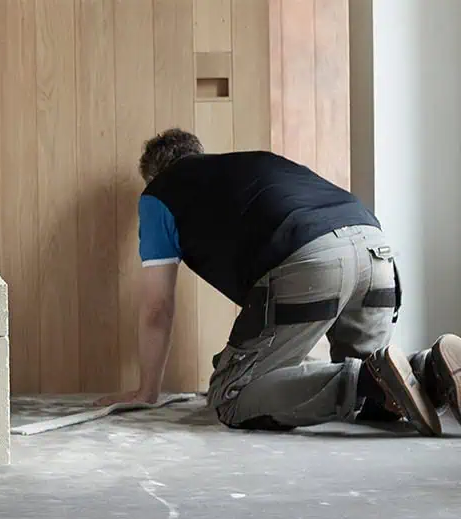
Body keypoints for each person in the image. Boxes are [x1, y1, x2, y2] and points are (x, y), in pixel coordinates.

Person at [97, 128, 461, 436]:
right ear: (198, 154)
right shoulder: (258, 163)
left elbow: (157, 307)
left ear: (154, 174)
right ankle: (429, 369)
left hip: (313, 261)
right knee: (376, 402)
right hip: (376, 252)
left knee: (231, 395)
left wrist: (147, 390)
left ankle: (371, 380)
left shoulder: (160, 193)